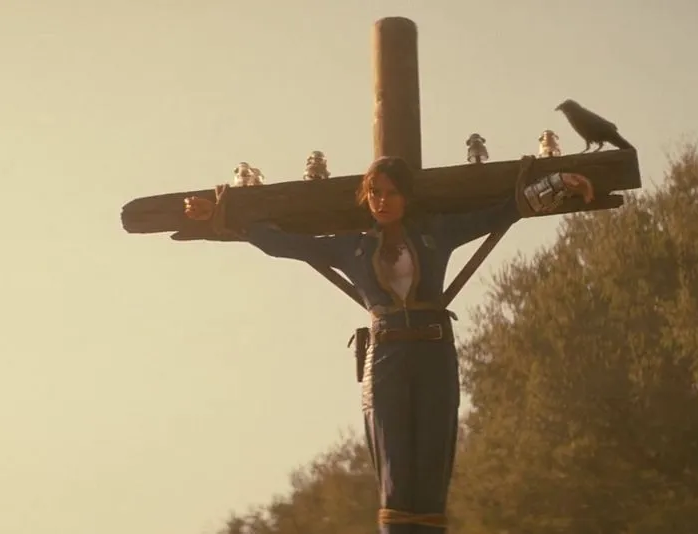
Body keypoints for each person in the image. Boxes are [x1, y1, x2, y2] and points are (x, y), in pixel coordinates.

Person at [183, 156, 595, 533]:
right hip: (385, 357)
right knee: (394, 468)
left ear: (406, 197)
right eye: (374, 192)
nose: (381, 201)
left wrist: (559, 182)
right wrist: (220, 215)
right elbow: (284, 244)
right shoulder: (352, 245)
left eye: (390, 192)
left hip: (434, 352)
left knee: (432, 464)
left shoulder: (436, 233)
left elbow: (503, 211)